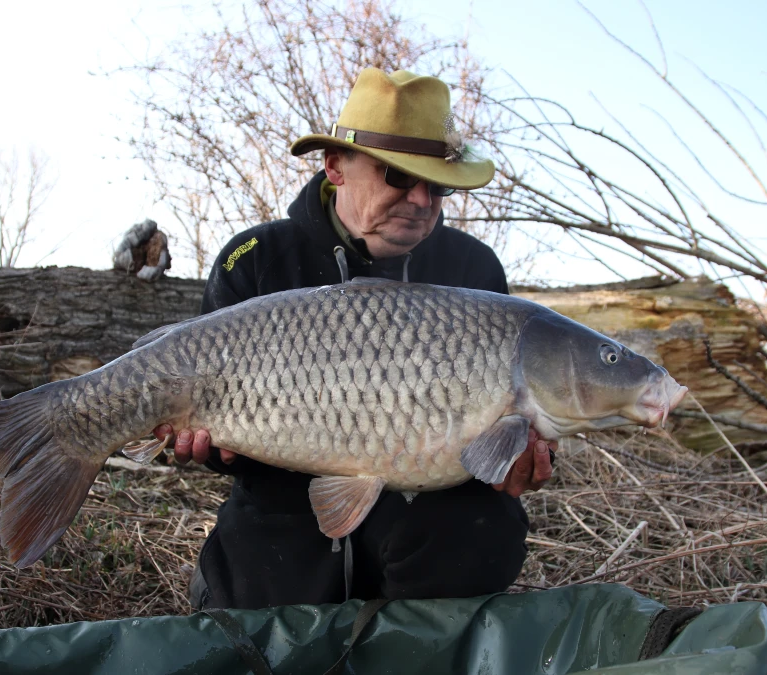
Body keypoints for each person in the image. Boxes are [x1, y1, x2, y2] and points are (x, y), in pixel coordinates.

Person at [153, 68, 555, 610]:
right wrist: (208, 450)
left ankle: (412, 639)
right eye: (398, 175)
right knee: (258, 609)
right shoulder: (256, 259)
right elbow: (226, 448)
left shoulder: (473, 268)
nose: (421, 198)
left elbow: (504, 437)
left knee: (486, 530)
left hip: (423, 519)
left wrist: (519, 458)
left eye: (438, 183)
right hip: (281, 516)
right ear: (335, 166)